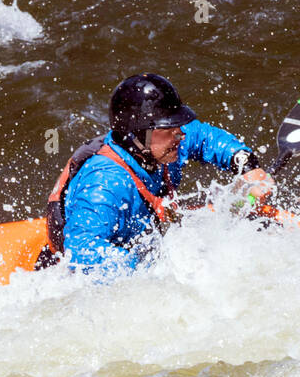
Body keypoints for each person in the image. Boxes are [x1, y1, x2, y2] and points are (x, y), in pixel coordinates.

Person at [48, 74, 274, 275]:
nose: (179, 135)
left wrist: (248, 167)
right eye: (169, 128)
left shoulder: (164, 146)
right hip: (94, 265)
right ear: (138, 134)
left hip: (144, 243)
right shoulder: (105, 185)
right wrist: (161, 269)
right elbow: (82, 253)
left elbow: (204, 137)